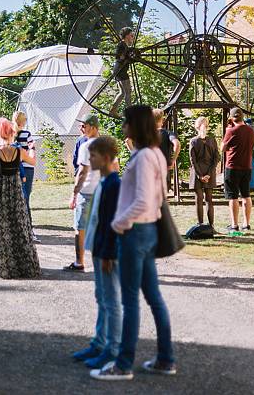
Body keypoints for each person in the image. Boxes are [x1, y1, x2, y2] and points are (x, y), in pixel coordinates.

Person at [92, 105, 175, 381]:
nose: (123, 127)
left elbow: (140, 200)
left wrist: (117, 224)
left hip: (135, 232)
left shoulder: (141, 158)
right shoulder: (156, 154)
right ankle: (165, 358)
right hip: (149, 230)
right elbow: (157, 196)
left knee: (130, 301)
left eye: (127, 122)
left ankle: (123, 364)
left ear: (136, 126)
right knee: (153, 297)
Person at [73, 136, 122, 369]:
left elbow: (114, 223)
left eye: (92, 156)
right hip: (99, 249)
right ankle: (99, 342)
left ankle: (112, 349)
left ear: (104, 158)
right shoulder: (103, 183)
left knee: (111, 301)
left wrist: (109, 254)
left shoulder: (114, 185)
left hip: (108, 253)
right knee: (101, 298)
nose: (89, 159)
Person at [0, 117, 40, 279]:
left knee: (1, 231)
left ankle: (3, 269)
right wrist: (32, 148)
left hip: (0, 195)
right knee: (20, 228)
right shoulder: (19, 152)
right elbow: (33, 161)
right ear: (11, 133)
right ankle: (26, 267)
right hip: (16, 194)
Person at [67, 115, 101, 271]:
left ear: (93, 127)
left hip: (86, 192)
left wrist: (75, 193)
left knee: (80, 228)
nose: (81, 129)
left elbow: (82, 172)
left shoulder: (86, 146)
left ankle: (79, 262)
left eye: (84, 126)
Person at [220, 107, 254, 231]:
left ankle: (234, 225)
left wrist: (228, 130)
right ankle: (246, 224)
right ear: (242, 117)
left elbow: (222, 148)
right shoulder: (251, 131)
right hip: (247, 167)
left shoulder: (231, 131)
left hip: (233, 167)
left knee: (233, 197)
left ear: (231, 118)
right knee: (246, 195)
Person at [189, 116, 220, 226]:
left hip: (199, 173)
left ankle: (201, 225)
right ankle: (211, 226)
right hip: (209, 172)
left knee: (199, 199)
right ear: (207, 126)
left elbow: (193, 161)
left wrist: (200, 175)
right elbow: (216, 158)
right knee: (209, 200)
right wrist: (209, 173)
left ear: (196, 127)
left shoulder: (193, 141)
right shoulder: (212, 140)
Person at [13, 111, 37, 241]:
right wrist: (32, 150)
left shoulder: (12, 135)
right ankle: (29, 229)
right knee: (26, 198)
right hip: (27, 168)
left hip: (15, 168)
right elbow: (32, 148)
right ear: (23, 121)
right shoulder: (26, 134)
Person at [152, 108, 181, 193]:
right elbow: (177, 144)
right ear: (162, 120)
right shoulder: (168, 133)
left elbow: (128, 141)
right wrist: (173, 160)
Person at [109, 27, 135, 117]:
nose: (132, 37)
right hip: (121, 70)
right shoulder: (122, 45)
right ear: (127, 35)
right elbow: (119, 57)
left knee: (123, 92)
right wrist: (128, 56)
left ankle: (113, 111)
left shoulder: (124, 45)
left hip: (119, 69)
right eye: (131, 35)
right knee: (128, 91)